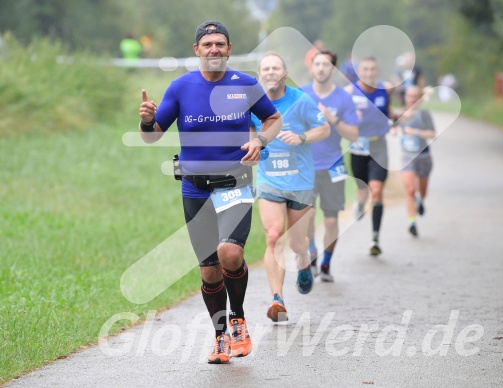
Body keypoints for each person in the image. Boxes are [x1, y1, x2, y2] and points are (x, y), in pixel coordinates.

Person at [138, 21, 282, 364]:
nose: (214, 49)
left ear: (229, 49)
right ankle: (220, 338)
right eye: (208, 44)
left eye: (220, 44)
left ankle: (239, 321)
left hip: (235, 184)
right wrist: (146, 120)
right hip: (195, 190)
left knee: (230, 254)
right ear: (197, 50)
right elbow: (152, 136)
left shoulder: (246, 84)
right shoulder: (181, 87)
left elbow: (273, 120)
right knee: (208, 270)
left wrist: (259, 140)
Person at [252, 52, 329, 322]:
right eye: (266, 69)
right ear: (260, 75)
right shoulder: (254, 103)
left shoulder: (301, 100)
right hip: (269, 180)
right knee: (273, 236)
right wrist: (255, 147)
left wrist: (302, 136)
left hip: (300, 181)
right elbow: (249, 134)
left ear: (285, 73)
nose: (271, 72)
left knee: (297, 243)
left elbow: (325, 129)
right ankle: (277, 299)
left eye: (276, 68)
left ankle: (304, 258)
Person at [300, 50, 359, 282]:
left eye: (326, 65)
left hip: (334, 164)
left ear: (333, 69)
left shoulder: (344, 99)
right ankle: (312, 251)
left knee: (332, 219)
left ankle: (326, 265)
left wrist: (331, 118)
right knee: (308, 214)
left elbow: (354, 135)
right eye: (318, 64)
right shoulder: (301, 94)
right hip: (306, 165)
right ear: (312, 68)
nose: (322, 68)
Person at [344, 56, 394, 257]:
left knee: (377, 190)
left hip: (378, 145)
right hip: (357, 148)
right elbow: (340, 117)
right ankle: (360, 202)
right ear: (359, 71)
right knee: (363, 190)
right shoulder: (349, 92)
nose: (369, 73)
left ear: (377, 70)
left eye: (373, 69)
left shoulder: (386, 90)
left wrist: (399, 117)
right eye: (365, 69)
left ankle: (375, 237)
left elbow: (387, 111)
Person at [391, 86, 435, 237]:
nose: (412, 99)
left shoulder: (424, 115)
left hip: (423, 157)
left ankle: (420, 200)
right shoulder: (401, 114)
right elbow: (392, 126)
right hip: (407, 157)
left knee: (422, 190)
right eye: (410, 96)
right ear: (405, 97)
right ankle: (412, 222)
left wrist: (416, 132)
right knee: (410, 189)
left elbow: (433, 134)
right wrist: (393, 130)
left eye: (415, 96)